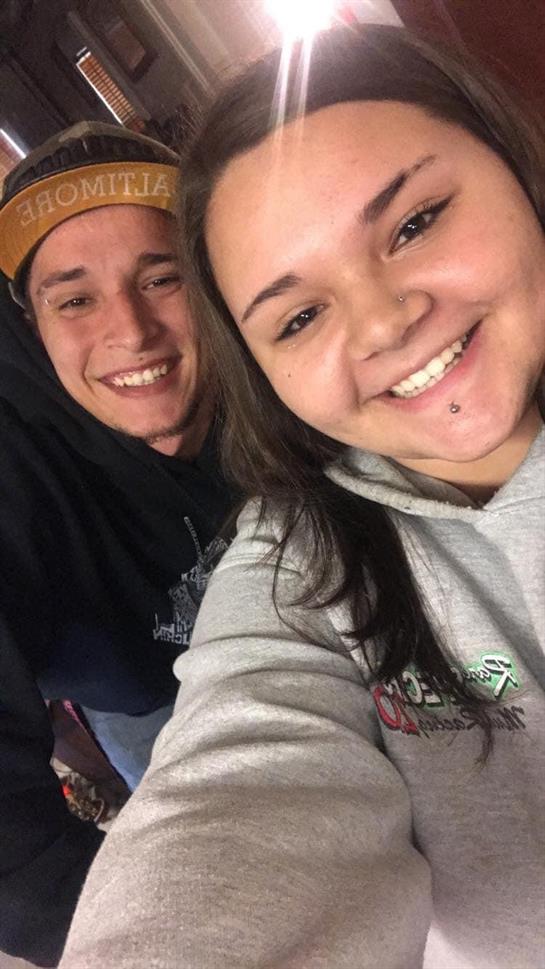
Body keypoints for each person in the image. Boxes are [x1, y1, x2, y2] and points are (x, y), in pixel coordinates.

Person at [60, 26, 545, 969]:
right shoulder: (299, 557)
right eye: (300, 315)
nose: (384, 324)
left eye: (414, 223)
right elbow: (232, 795)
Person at [0, 121, 234, 966]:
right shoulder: (18, 458)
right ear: (33, 326)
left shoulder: (270, 364)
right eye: (75, 299)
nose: (131, 331)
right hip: (147, 706)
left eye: (161, 278)